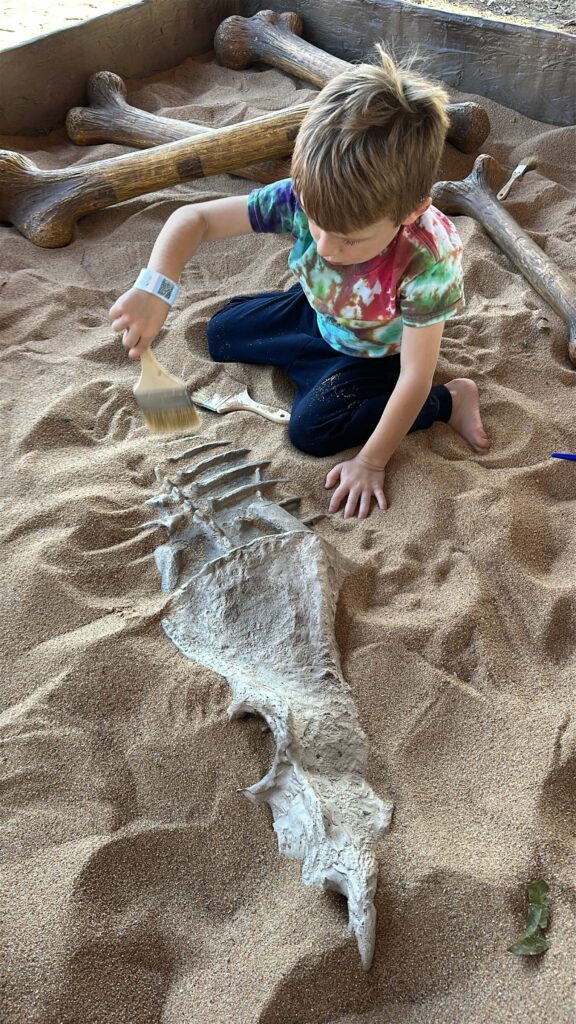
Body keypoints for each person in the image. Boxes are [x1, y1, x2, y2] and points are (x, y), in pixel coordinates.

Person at [109, 48, 489, 520]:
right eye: (315, 223)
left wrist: (371, 461)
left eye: (350, 240)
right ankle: (308, 356)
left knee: (311, 432)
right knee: (219, 333)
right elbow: (195, 218)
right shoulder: (310, 195)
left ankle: (449, 401)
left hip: (377, 355)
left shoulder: (426, 258)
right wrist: (154, 289)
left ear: (410, 211)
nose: (326, 246)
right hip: (317, 311)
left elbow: (414, 374)